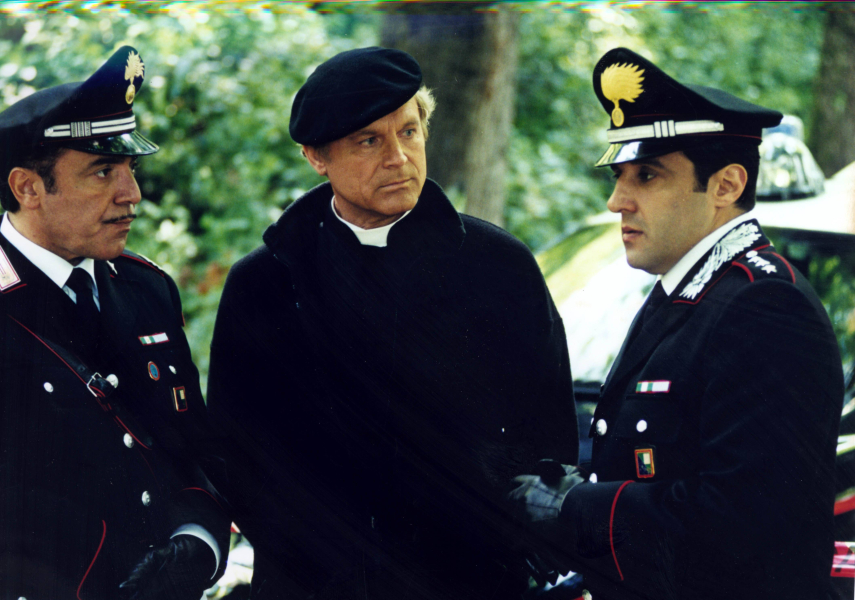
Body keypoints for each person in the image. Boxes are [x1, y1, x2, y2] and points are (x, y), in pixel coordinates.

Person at [206, 46, 577, 599]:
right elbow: (235, 453)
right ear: (316, 156)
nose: (399, 158)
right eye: (369, 141)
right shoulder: (265, 283)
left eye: (409, 131)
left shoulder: (500, 267)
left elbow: (549, 436)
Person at [509, 48, 843, 600]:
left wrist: (578, 509)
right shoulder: (692, 291)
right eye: (619, 176)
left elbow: (748, 522)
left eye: (647, 175)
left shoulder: (765, 306)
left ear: (726, 186)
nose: (617, 201)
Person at [0, 47, 230, 599]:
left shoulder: (146, 289)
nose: (133, 196)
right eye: (103, 172)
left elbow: (193, 448)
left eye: (131, 170)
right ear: (27, 188)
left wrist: (198, 545)